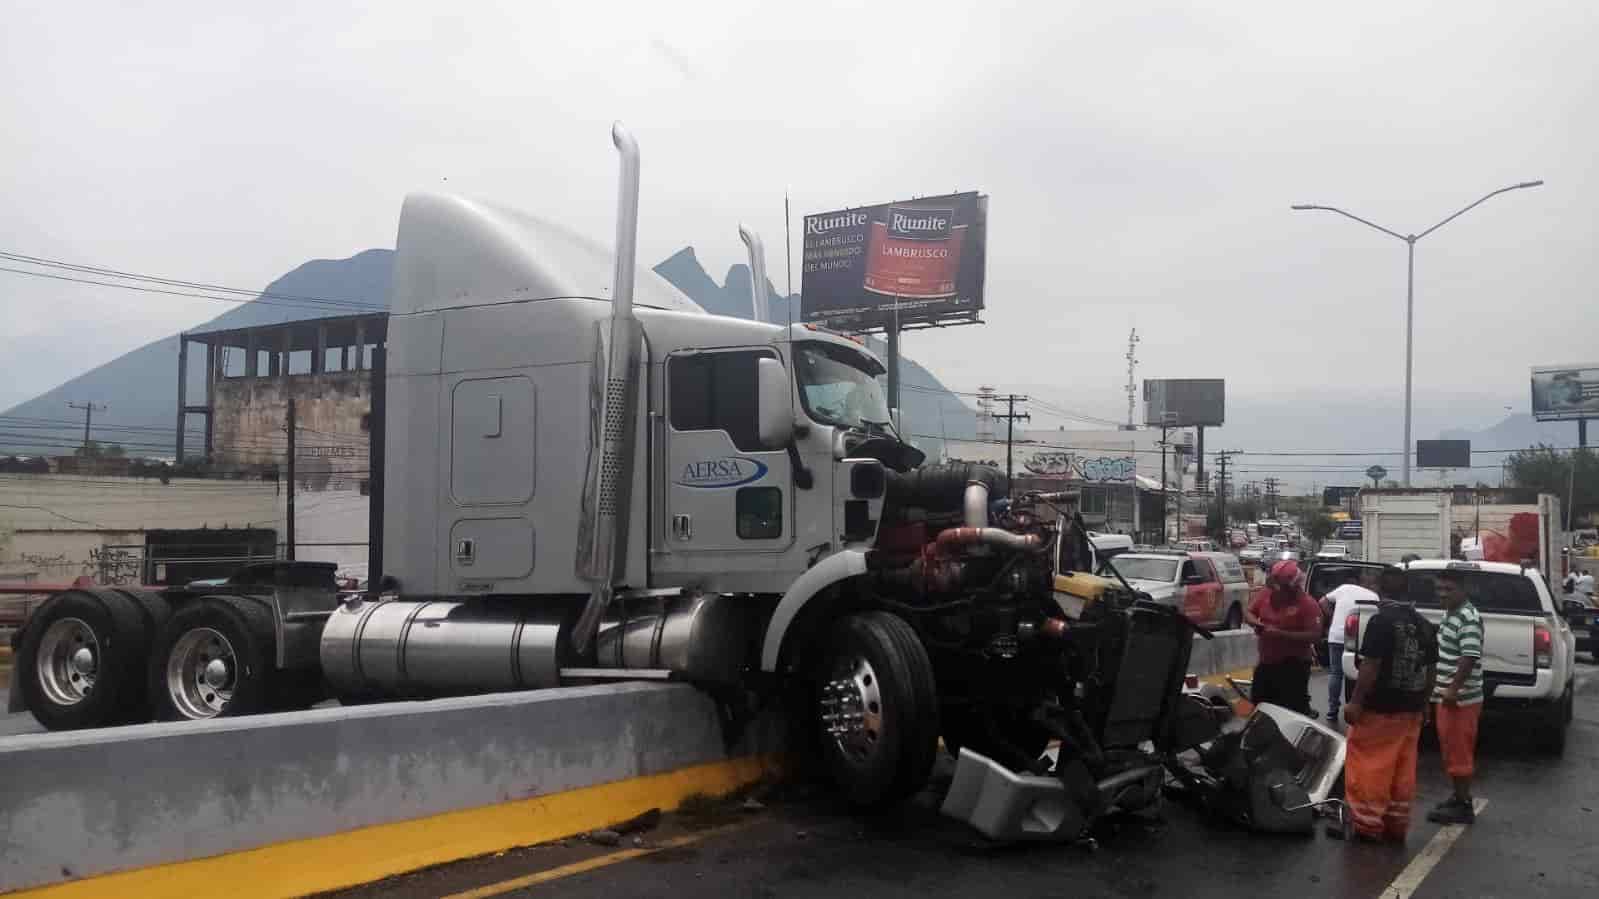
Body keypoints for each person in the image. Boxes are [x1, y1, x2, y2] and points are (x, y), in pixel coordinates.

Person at [1344, 567, 1438, 843]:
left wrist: (1355, 702)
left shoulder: (1381, 622)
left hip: (1380, 708)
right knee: (1401, 766)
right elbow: (1431, 670)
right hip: (1410, 709)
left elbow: (1371, 665)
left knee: (1370, 764)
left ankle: (1367, 824)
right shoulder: (1423, 624)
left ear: (1380, 590)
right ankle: (1396, 823)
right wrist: (1425, 704)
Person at [1428, 569, 1484, 825]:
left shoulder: (1468, 617)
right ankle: (1457, 797)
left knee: (1458, 751)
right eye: (1439, 589)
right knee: (1451, 750)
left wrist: (1452, 689)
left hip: (1459, 700)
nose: (1443, 594)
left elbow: (1469, 656)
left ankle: (1463, 805)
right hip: (1449, 696)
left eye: (1448, 589)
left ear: (1464, 590)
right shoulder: (1451, 613)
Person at [1243, 560, 1323, 715]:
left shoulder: (1308, 605)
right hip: (1266, 664)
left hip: (1294, 667)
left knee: (1290, 712)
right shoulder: (1266, 594)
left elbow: (1315, 635)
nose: (1278, 592)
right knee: (1257, 707)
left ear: (1293, 587)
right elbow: (1249, 611)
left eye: (1282, 588)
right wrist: (1256, 623)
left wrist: (1281, 634)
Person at [1323, 570, 1379, 723]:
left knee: (1336, 673)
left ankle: (1332, 711)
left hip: (1336, 636)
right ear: (1370, 583)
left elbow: (1322, 601)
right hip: (1357, 640)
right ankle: (1356, 706)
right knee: (1357, 674)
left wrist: (1332, 617)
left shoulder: (1344, 588)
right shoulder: (1374, 596)